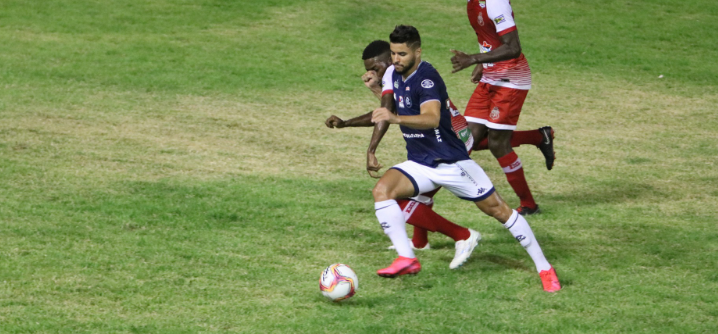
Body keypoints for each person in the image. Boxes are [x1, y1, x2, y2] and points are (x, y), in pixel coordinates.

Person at [370, 25, 560, 292]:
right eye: (392, 53)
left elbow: (431, 118)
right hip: (420, 163)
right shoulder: (393, 72)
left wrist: (395, 118)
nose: (396, 59)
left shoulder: (428, 78)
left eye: (401, 53)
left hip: (452, 162)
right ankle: (407, 258)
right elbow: (391, 106)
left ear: (417, 51)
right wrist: (376, 102)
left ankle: (545, 268)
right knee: (382, 191)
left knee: (500, 211)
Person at [325, 40, 481, 270]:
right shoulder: (401, 71)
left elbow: (388, 113)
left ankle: (463, 235)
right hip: (451, 136)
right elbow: (396, 108)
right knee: (417, 197)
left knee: (399, 200)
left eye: (375, 68)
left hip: (449, 142)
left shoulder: (394, 71)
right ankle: (420, 242)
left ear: (390, 58)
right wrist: (353, 115)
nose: (372, 73)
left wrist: (371, 149)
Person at [450, 0, 555, 216]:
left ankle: (529, 205)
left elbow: (513, 47)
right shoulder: (473, 3)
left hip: (511, 79)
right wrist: (483, 63)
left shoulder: (495, 3)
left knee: (498, 144)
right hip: (491, 76)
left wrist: (474, 59)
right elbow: (489, 38)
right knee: (470, 140)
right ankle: (538, 137)